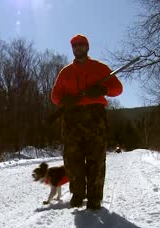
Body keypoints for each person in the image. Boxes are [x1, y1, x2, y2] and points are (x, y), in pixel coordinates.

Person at [51, 34, 123, 209]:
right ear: (72, 48)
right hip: (71, 119)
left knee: (96, 159)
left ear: (87, 47)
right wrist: (64, 101)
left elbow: (118, 88)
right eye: (75, 45)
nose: (78, 47)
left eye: (81, 44)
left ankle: (94, 198)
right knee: (72, 159)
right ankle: (78, 194)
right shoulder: (65, 72)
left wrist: (103, 89)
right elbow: (55, 95)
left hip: (95, 117)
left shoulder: (100, 68)